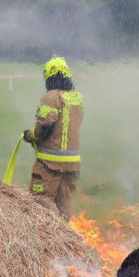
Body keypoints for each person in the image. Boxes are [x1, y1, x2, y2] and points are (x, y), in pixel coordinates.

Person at [23, 55, 84, 220]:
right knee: (64, 205)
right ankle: (65, 240)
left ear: (49, 77)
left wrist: (28, 135)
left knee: (40, 201)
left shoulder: (51, 97)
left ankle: (50, 238)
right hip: (72, 165)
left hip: (50, 165)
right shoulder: (77, 98)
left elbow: (44, 129)